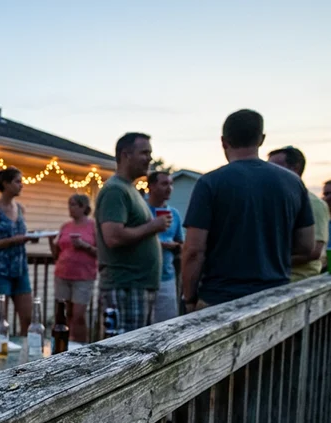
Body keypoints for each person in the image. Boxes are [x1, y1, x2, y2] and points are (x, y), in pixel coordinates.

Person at [182, 110, 314, 312]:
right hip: (274, 299)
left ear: (224, 141)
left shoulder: (210, 183)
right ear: (261, 139)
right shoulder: (293, 183)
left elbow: (193, 250)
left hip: (219, 302)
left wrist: (189, 299)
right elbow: (307, 246)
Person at [95, 132, 167, 333]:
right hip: (125, 288)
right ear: (126, 155)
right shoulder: (115, 190)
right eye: (144, 153)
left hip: (137, 287)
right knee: (125, 354)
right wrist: (153, 226)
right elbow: (113, 236)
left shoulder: (130, 189)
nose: (150, 158)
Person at [0, 167, 38, 335]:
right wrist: (13, 240)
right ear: (5, 184)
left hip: (20, 270)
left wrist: (29, 237)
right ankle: (2, 356)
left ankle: (26, 357)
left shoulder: (20, 209)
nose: (21, 185)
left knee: (28, 319)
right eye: (17, 181)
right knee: (1, 321)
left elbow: (20, 235)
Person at [267, 146, 328, 281]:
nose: (269, 172)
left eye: (275, 167)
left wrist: (266, 263)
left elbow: (314, 252)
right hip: (274, 278)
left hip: (297, 281)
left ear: (295, 168)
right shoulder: (274, 201)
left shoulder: (313, 203)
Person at [48, 194, 97, 342]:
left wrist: (84, 246)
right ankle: (65, 344)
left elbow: (101, 252)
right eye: (69, 204)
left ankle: (81, 346)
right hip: (62, 275)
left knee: (79, 315)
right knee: (64, 314)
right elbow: (56, 254)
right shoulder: (66, 226)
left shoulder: (93, 226)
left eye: (74, 204)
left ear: (84, 207)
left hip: (83, 277)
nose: (70, 208)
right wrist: (51, 242)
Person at [145, 172, 185, 322]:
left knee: (166, 324)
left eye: (171, 184)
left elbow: (182, 244)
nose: (169, 188)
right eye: (164, 184)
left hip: (167, 276)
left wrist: (174, 246)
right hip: (142, 277)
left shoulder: (174, 214)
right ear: (152, 186)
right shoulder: (142, 210)